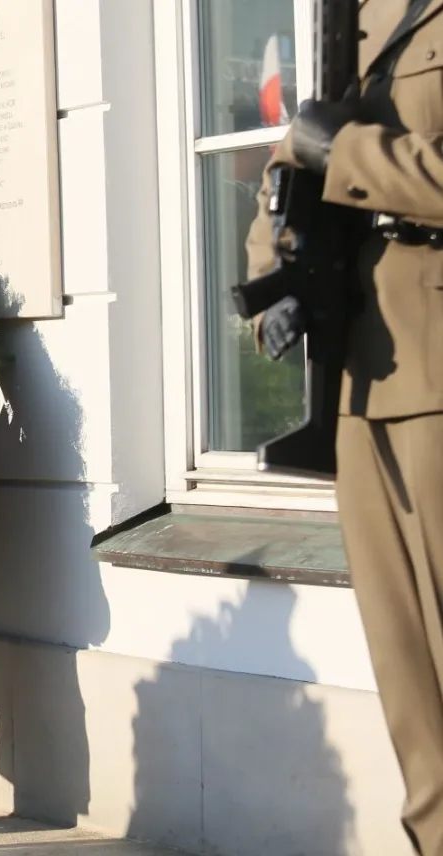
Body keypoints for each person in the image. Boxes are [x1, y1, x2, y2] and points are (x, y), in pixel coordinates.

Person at [243, 3, 443, 852]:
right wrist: (273, 280)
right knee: (406, 678)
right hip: (362, 377)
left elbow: (331, 145)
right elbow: (290, 165)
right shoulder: (349, 19)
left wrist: (346, 152)